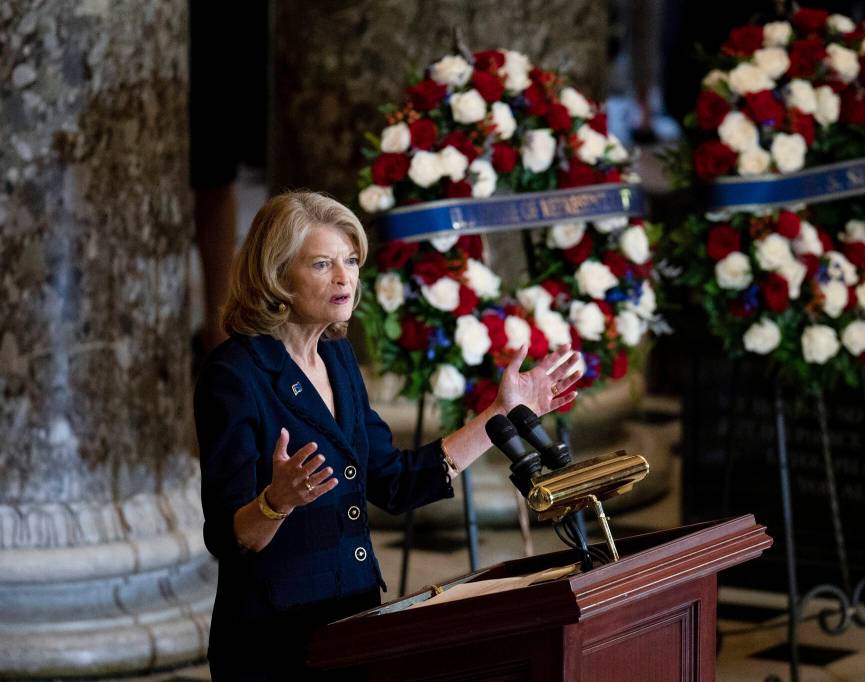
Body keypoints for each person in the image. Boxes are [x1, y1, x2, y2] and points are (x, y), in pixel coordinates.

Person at [194, 191, 582, 680]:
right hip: (274, 639)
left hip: (354, 619)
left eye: (351, 260)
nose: (344, 277)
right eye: (321, 264)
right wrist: (277, 501)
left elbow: (394, 481)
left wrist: (500, 414)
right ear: (277, 276)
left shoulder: (337, 360)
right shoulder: (234, 375)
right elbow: (228, 537)